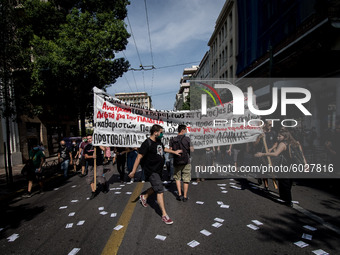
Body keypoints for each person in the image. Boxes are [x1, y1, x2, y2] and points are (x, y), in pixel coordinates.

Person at [128, 124, 182, 224]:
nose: (162, 134)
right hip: (151, 171)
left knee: (156, 186)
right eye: (161, 132)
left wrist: (174, 152)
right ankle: (164, 215)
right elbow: (139, 157)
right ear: (155, 132)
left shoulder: (158, 141)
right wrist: (133, 171)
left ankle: (144, 196)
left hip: (158, 170)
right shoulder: (146, 143)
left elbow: (163, 149)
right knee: (160, 190)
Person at [255, 130, 306, 206]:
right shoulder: (296, 143)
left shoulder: (283, 144)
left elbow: (276, 154)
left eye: (279, 136)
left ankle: (288, 200)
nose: (277, 137)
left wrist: (262, 154)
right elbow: (302, 155)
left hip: (284, 166)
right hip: (294, 165)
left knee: (284, 182)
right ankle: (284, 197)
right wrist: (305, 164)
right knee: (289, 182)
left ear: (285, 137)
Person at [169, 124, 194, 202]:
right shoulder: (187, 139)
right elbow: (192, 150)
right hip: (186, 161)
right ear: (182, 130)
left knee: (177, 177)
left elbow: (170, 150)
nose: (186, 131)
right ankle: (185, 196)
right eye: (186, 130)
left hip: (176, 161)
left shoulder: (172, 139)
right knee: (186, 178)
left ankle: (179, 194)